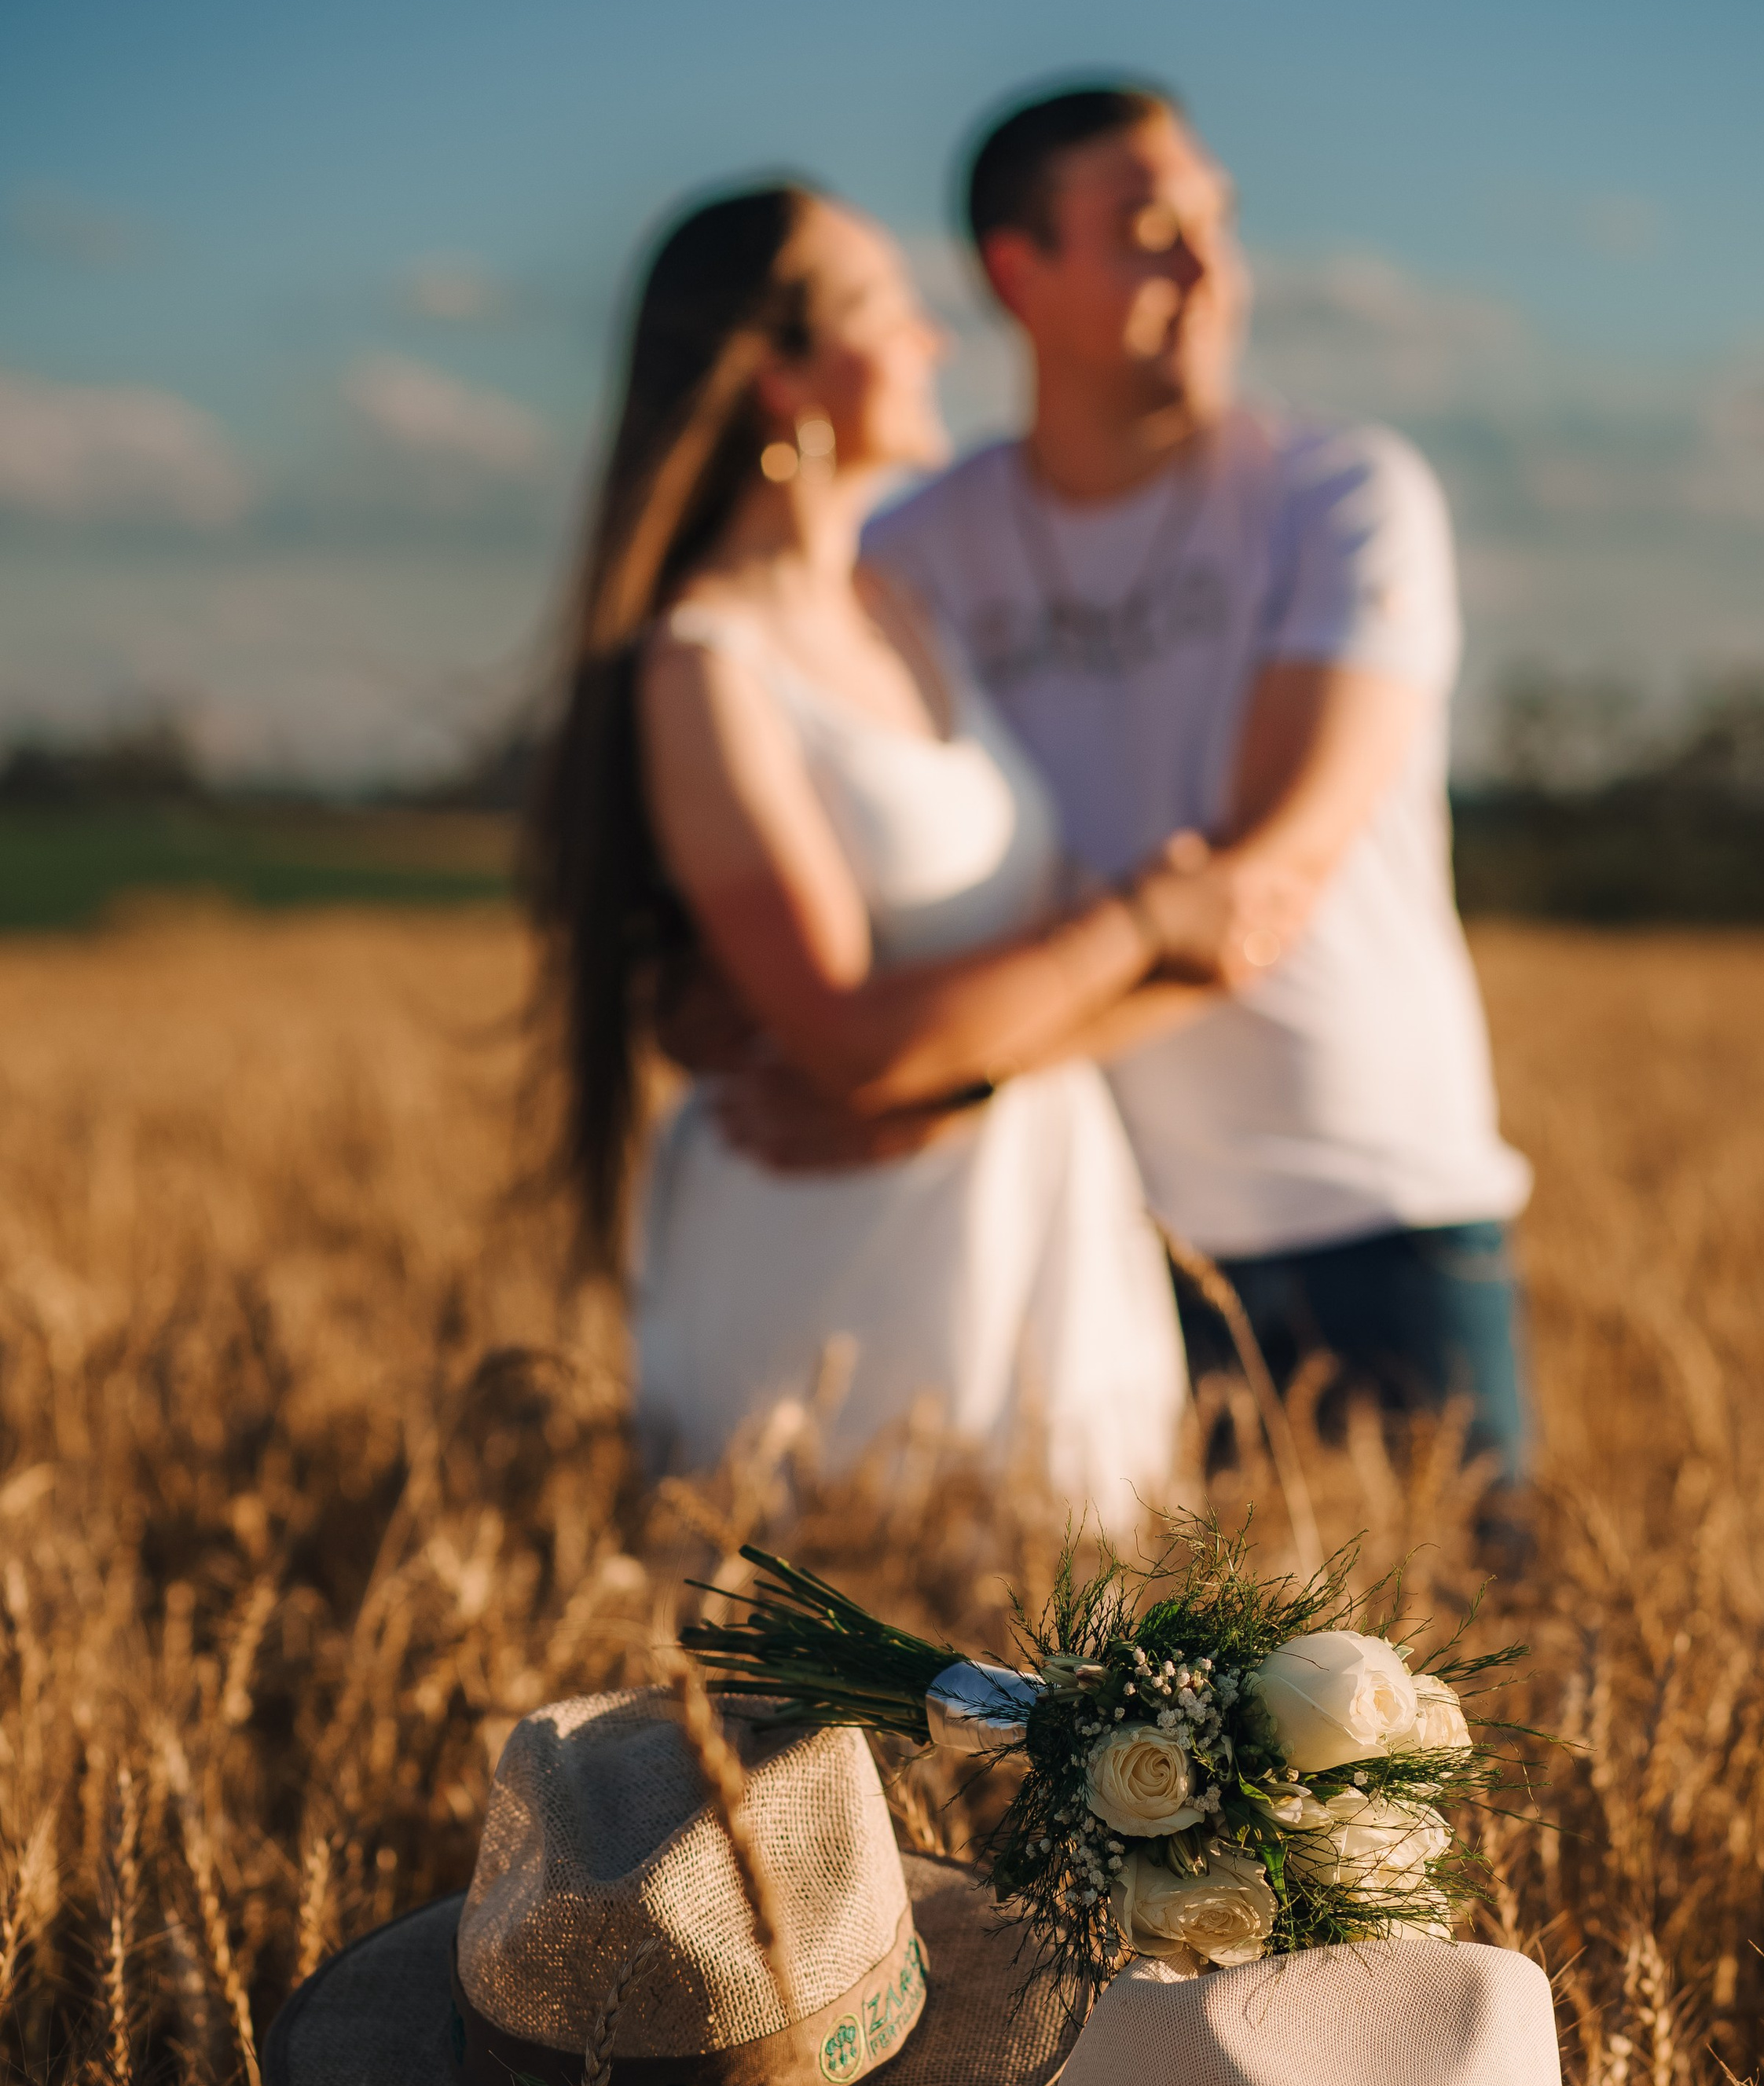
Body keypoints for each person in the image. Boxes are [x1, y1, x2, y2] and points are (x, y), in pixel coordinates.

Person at [526, 181, 1307, 1527]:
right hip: (837, 1268)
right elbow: (846, 1044)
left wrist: (974, 1058)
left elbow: (934, 1028)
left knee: (1067, 1694)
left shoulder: (906, 613)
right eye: (889, 306)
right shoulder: (705, 666)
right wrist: (1139, 919)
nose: (937, 339)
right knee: (842, 1699)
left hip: (1030, 1224)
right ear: (781, 376)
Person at [860, 82, 1535, 1489]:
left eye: (1217, 224)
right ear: (1015, 272)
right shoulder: (917, 555)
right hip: (1093, 1229)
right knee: (1114, 1705)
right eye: (1149, 231)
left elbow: (1265, 879)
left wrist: (927, 1069)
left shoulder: (1338, 495)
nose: (1209, 267)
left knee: (1457, 1693)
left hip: (1379, 1206)